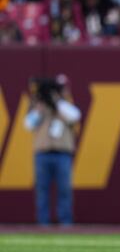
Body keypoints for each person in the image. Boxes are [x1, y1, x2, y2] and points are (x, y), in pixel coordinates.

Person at [24, 74, 81, 225]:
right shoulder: (40, 107)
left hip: (63, 154)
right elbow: (28, 124)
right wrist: (40, 107)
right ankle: (43, 223)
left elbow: (75, 116)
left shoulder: (64, 106)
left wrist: (56, 102)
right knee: (42, 191)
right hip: (42, 153)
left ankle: (65, 222)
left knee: (64, 190)